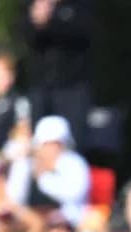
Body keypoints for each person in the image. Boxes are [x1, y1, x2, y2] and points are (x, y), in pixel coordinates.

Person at [24, 0, 95, 147]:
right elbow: (26, 35)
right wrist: (38, 23)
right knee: (39, 144)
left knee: (73, 143)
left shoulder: (81, 5)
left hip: (72, 86)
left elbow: (81, 32)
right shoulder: (32, 3)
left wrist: (49, 20)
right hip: (40, 86)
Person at [5, 115, 90, 225]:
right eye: (47, 144)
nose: (52, 149)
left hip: (69, 223)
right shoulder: (26, 163)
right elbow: (14, 198)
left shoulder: (75, 163)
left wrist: (43, 177)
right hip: (30, 222)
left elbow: (74, 193)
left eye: (57, 144)